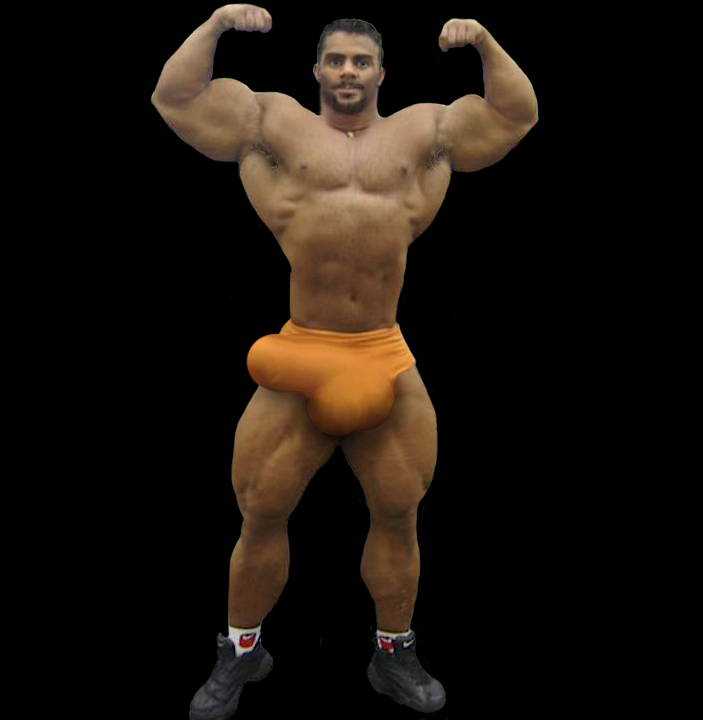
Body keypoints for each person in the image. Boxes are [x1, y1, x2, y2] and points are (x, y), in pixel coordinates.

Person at [151, 5, 538, 717]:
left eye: (362, 61)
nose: (349, 71)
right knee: (260, 508)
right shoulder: (272, 122)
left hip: (381, 350)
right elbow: (175, 98)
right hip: (305, 347)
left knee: (399, 510)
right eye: (337, 60)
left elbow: (515, 115)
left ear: (382, 73)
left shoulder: (424, 130)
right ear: (317, 70)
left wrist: (484, 41)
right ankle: (241, 649)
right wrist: (215, 23)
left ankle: (394, 654)